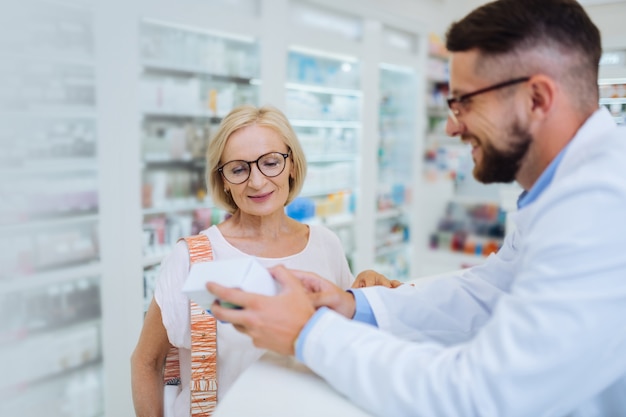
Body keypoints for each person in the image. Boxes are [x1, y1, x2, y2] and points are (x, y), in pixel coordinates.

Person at [206, 1, 626, 416]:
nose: (451, 125)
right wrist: (354, 306)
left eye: (465, 102)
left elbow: (479, 395)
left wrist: (307, 333)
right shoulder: (565, 191)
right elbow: (489, 291)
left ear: (536, 99)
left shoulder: (601, 209)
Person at [130, 104, 355, 417]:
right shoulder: (193, 258)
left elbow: (347, 339)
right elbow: (146, 361)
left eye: (271, 162)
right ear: (223, 179)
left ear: (291, 164)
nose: (257, 182)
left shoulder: (326, 245)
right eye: (239, 169)